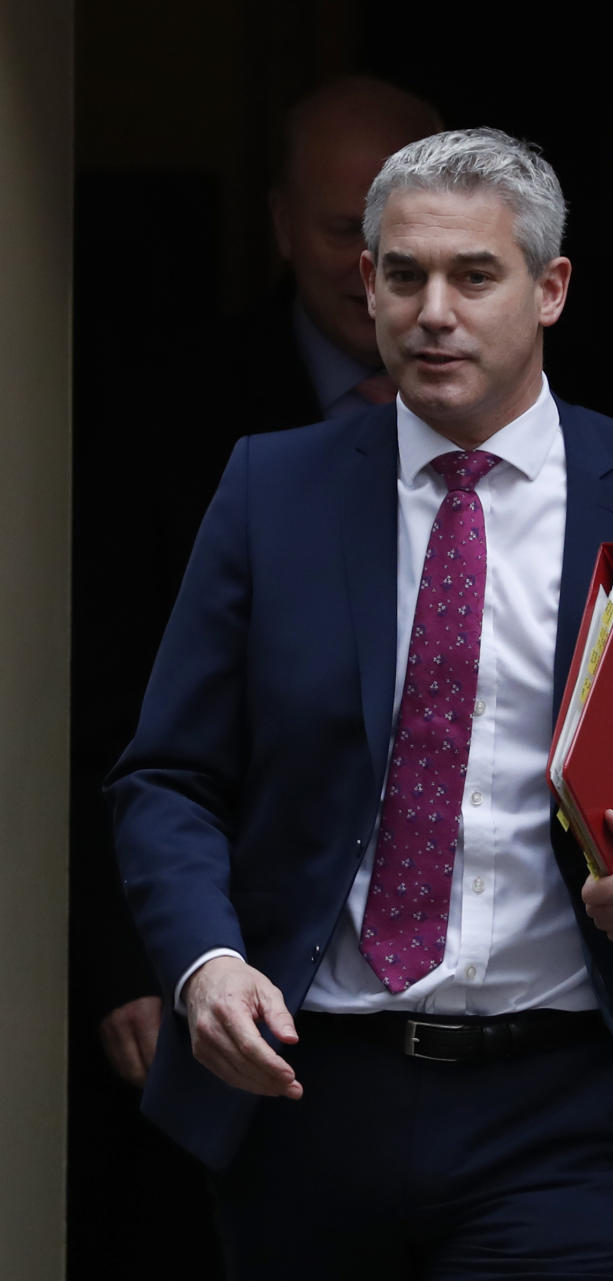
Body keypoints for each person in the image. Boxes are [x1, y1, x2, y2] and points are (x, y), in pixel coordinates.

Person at [108, 127, 613, 1279]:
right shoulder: (269, 490)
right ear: (366, 284)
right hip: (303, 1082)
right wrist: (203, 964)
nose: (435, 310)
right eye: (403, 273)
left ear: (551, 290)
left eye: (475, 275)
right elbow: (168, 776)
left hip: (558, 1098)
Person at [94, 74, 441, 1088]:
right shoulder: (164, 416)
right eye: (345, 230)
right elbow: (112, 706)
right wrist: (139, 956)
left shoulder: (540, 421)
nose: (376, 268)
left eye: (404, 228)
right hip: (231, 959)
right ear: (283, 226)